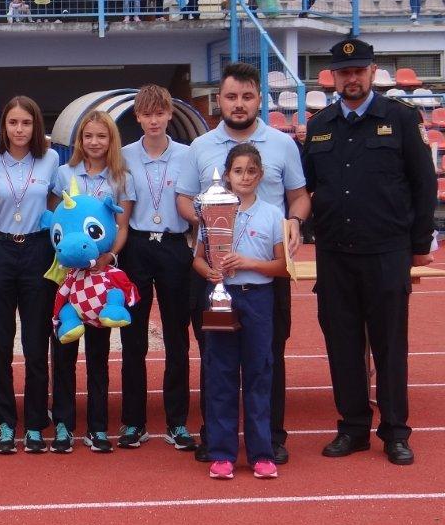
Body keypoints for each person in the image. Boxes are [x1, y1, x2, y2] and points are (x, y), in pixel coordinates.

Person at [303, 38, 437, 466]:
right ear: (333, 78)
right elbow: (307, 189)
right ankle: (353, 427)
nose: (352, 79)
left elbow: (423, 185)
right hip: (336, 254)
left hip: (386, 253)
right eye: (344, 73)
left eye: (359, 71)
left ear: (372, 72)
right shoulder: (321, 125)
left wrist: (419, 247)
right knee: (342, 346)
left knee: (389, 346)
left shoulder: (400, 118)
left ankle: (396, 431)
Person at [176, 62, 310, 466]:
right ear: (220, 99)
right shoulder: (200, 147)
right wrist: (213, 227)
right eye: (231, 96)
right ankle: (215, 439)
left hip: (264, 273)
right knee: (216, 357)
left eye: (247, 96)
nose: (239, 104)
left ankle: (269, 438)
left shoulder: (283, 144)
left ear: (258, 99)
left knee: (268, 356)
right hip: (217, 273)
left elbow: (300, 196)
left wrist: (295, 225)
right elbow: (184, 199)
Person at [193, 143, 287, 481]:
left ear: (260, 175)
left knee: (259, 372)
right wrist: (211, 273)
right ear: (228, 175)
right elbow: (198, 259)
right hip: (221, 297)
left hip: (258, 298)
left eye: (251, 171)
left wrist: (249, 263)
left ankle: (262, 453)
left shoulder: (273, 214)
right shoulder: (211, 209)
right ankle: (222, 453)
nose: (244, 177)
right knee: (220, 373)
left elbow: (282, 267)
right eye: (238, 171)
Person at [47, 110, 132, 453]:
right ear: (79, 140)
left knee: (98, 354)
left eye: (102, 136)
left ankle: (97, 427)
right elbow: (55, 222)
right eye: (88, 136)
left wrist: (108, 258)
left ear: (111, 140)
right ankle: (64, 424)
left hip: (100, 277)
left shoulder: (121, 177)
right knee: (64, 349)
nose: (94, 142)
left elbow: (123, 226)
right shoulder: (64, 173)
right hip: (68, 278)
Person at [121, 85, 197, 452]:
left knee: (177, 338)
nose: (153, 120)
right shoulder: (123, 156)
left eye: (160, 113)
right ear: (137, 117)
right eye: (146, 114)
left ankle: (177, 421)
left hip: (172, 247)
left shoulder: (187, 155)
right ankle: (133, 422)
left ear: (170, 115)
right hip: (136, 247)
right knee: (133, 339)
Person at [0, 96, 60, 454]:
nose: (19, 129)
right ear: (4, 126)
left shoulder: (50, 160)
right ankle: (4, 422)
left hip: (36, 250)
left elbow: (57, 205)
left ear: (35, 126)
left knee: (35, 343)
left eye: (25, 123)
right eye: (12, 122)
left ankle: (33, 423)